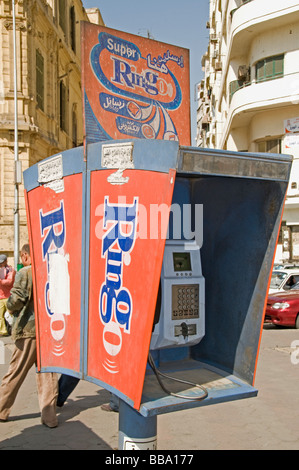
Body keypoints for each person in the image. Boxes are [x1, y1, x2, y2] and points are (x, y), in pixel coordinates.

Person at [0, 244, 58, 428]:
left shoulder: (26, 272)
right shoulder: (51, 270)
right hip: (48, 331)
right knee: (47, 375)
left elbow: (15, 301)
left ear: (25, 255)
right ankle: (50, 417)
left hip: (28, 330)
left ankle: (1, 409)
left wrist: (8, 306)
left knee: (15, 372)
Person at [0, 254, 15, 336]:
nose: (1, 264)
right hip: (0, 296)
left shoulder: (10, 270)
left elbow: (9, 282)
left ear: (6, 261)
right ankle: (3, 331)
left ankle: (14, 329)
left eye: (2, 262)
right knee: (0, 316)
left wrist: (1, 281)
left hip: (8, 296)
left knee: (10, 315)